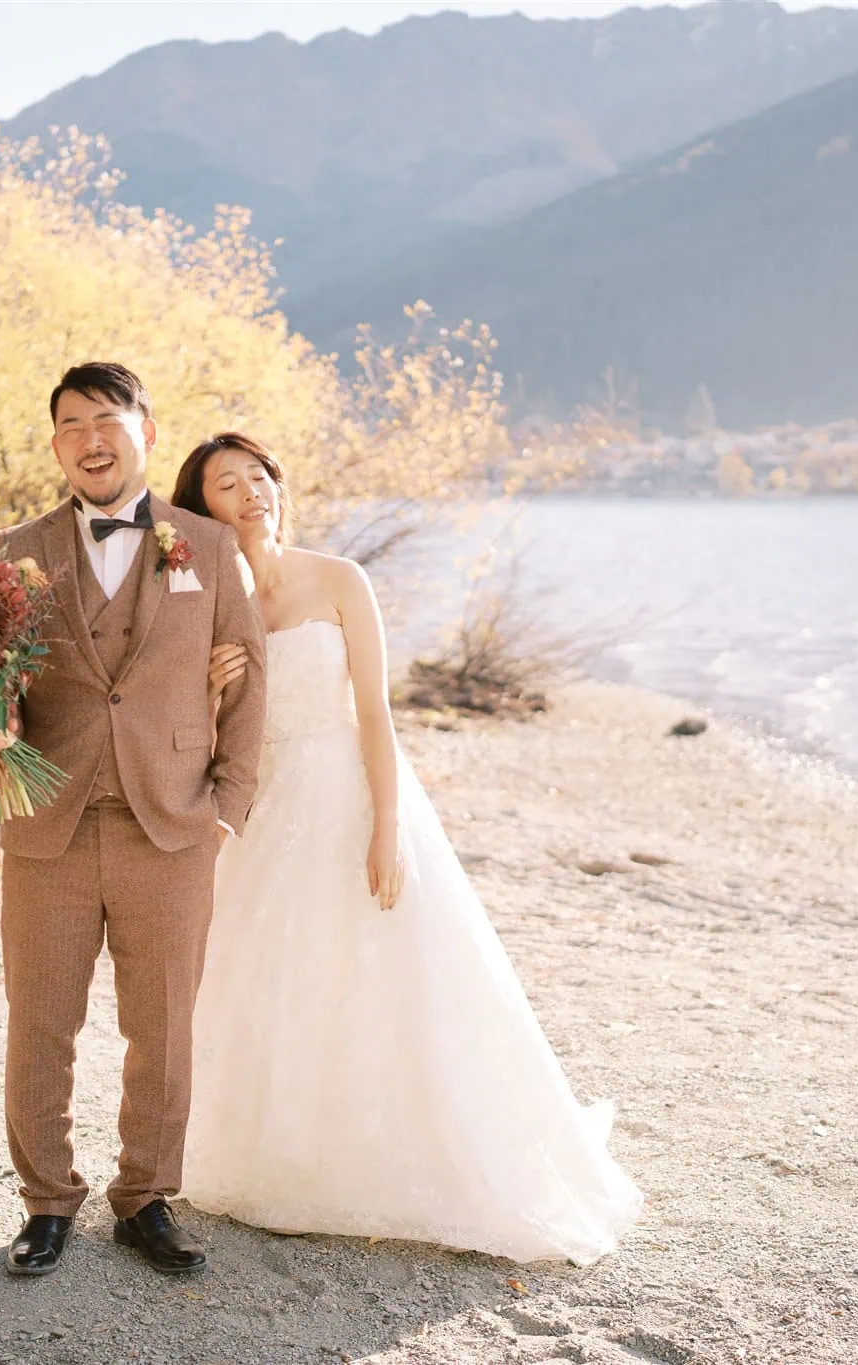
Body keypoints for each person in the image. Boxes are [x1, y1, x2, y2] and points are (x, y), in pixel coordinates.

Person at [173, 432, 643, 1264]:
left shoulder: (339, 579)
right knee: (279, 977)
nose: (251, 493)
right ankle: (287, 1162)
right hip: (268, 808)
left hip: (349, 791)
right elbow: (210, 741)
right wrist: (210, 691)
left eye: (259, 476)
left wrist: (387, 826)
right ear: (201, 507)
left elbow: (374, 713)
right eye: (227, 484)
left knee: (387, 970)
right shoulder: (209, 600)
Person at [0, 367, 267, 1277]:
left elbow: (249, 680)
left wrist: (228, 809)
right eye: (71, 425)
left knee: (163, 1026)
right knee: (39, 1022)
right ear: (56, 445)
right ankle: (47, 1200)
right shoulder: (15, 550)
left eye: (107, 419)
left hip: (171, 824)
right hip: (47, 824)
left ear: (144, 429)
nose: (91, 438)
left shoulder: (208, 546)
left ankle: (145, 1196)